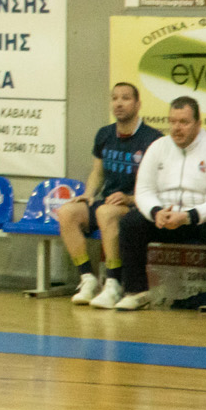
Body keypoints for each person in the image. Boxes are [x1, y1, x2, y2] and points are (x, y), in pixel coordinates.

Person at [112, 96, 206, 316]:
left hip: (205, 217)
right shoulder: (157, 147)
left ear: (198, 124)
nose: (177, 128)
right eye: (172, 121)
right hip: (167, 216)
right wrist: (156, 212)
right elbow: (143, 191)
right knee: (131, 223)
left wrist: (189, 216)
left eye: (184, 122)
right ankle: (136, 292)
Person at [65, 83, 162, 309]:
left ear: (138, 104)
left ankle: (113, 282)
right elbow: (97, 172)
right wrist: (88, 194)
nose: (119, 103)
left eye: (125, 98)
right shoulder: (104, 134)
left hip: (136, 204)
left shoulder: (153, 139)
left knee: (106, 213)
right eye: (115, 98)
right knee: (67, 212)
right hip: (107, 201)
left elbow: (159, 185)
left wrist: (129, 198)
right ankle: (88, 278)